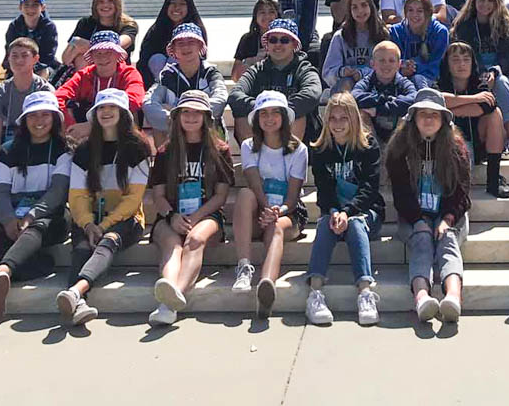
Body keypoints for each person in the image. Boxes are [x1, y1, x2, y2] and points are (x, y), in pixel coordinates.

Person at [54, 89, 151, 327]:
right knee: (81, 247)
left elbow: (132, 200)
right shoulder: (84, 150)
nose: (106, 112)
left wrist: (104, 225)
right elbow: (77, 196)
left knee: (108, 239)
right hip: (90, 219)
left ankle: (76, 291)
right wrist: (88, 223)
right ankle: (80, 304)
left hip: (127, 220)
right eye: (102, 108)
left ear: (123, 113)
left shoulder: (138, 147)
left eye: (112, 108)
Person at [0, 90, 70, 320]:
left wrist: (32, 215)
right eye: (33, 116)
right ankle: (7, 277)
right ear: (24, 120)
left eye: (45, 115)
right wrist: (8, 218)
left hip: (50, 217)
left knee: (36, 227)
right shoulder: (7, 151)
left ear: (55, 118)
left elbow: (58, 191)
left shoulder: (64, 150)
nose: (39, 121)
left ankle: (1, 272)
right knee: (4, 249)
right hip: (12, 215)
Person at [146, 90, 236, 327]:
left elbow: (221, 195)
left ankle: (170, 301)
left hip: (207, 214)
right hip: (170, 213)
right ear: (177, 117)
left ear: (207, 117)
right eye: (186, 111)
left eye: (197, 112)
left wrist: (196, 216)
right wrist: (171, 215)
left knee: (194, 239)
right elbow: (158, 194)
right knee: (172, 244)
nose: (191, 117)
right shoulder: (166, 151)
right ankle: (171, 294)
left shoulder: (220, 150)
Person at [383, 89, 472, 323]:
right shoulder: (399, 148)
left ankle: (453, 297)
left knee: (448, 239)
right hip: (413, 215)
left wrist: (447, 219)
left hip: (450, 214)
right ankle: (422, 296)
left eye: (435, 114)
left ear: (444, 119)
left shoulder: (457, 147)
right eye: (423, 114)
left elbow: (462, 193)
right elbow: (401, 194)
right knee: (421, 240)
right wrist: (419, 221)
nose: (429, 119)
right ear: (413, 118)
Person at [302, 92, 385, 325]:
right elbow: (324, 189)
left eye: (343, 118)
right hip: (336, 212)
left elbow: (370, 189)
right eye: (333, 118)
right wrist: (334, 211)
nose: (337, 124)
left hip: (366, 212)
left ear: (354, 120)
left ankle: (365, 293)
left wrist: (348, 212)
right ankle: (315, 294)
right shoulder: (320, 150)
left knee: (357, 223)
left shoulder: (368, 146)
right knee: (324, 225)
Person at [231, 91, 310, 318]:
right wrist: (266, 208)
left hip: (288, 212)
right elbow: (254, 182)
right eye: (263, 113)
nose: (269, 118)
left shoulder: (299, 149)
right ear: (256, 119)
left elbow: (293, 198)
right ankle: (244, 267)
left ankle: (267, 283)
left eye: (275, 112)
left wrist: (278, 212)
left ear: (284, 117)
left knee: (275, 228)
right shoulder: (248, 146)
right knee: (246, 194)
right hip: (260, 208)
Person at [450, 0, 509, 160]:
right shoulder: (464, 27)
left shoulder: (506, 26)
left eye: (491, 0)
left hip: (504, 79)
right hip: (475, 79)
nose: (485, 4)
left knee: (501, 82)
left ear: (497, 3)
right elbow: (468, 57)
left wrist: (494, 73)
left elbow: (506, 61)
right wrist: (483, 74)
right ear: (474, 1)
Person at [229, 18, 323, 143]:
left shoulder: (304, 69)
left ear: (294, 44)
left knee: (299, 115)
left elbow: (313, 93)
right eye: (273, 40)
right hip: (263, 131)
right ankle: (253, 160)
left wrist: (281, 111)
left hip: (299, 138)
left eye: (284, 40)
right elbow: (235, 94)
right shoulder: (257, 70)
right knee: (241, 116)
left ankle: (291, 158)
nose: (278, 45)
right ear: (267, 44)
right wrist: (263, 109)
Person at [438, 42, 509, 199]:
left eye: (466, 59)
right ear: (447, 64)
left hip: (478, 143)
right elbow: (438, 101)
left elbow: (488, 106)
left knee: (495, 114)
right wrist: (473, 99)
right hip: (448, 145)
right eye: (455, 59)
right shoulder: (440, 83)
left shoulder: (480, 81)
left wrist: (452, 109)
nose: (461, 64)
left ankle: (493, 181)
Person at [56, 31, 147, 141]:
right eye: (98, 53)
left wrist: (92, 126)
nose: (103, 58)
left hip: (119, 128)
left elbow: (136, 100)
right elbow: (58, 97)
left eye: (108, 52)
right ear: (91, 56)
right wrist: (71, 125)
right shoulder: (83, 75)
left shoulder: (129, 73)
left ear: (118, 54)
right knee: (68, 107)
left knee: (132, 112)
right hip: (86, 132)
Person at [143, 23, 228, 136]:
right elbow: (149, 102)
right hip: (175, 131)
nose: (186, 47)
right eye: (180, 43)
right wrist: (178, 117)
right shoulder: (166, 75)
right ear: (173, 49)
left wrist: (191, 113)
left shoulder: (211, 73)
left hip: (206, 129)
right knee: (159, 127)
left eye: (191, 42)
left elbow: (221, 98)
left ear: (200, 45)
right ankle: (165, 154)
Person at [0, 37, 56, 166]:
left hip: (39, 140)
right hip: (10, 142)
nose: (18, 60)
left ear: (35, 59)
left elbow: (53, 128)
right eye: (14, 56)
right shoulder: (0, 93)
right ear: (8, 59)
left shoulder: (45, 90)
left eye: (24, 56)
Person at [60, 0, 141, 78]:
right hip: (87, 72)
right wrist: (77, 44)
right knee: (81, 59)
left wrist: (83, 45)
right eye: (101, 1)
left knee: (86, 56)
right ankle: (84, 89)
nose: (105, 5)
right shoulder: (85, 23)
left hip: (117, 74)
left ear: (117, 4)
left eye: (110, 1)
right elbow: (65, 59)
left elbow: (117, 45)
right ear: (95, 4)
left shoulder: (128, 25)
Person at [137, 0, 207, 88]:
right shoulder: (156, 30)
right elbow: (143, 62)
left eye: (182, 4)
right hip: (156, 86)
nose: (176, 8)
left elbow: (201, 59)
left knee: (175, 58)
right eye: (173, 3)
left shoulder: (196, 31)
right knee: (157, 59)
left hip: (189, 85)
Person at [323, 0, 385, 98]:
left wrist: (362, 73)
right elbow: (328, 72)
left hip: (375, 84)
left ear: (371, 7)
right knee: (346, 83)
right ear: (349, 11)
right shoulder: (340, 36)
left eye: (364, 5)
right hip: (347, 86)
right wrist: (342, 72)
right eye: (354, 7)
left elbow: (388, 68)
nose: (360, 11)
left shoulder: (382, 34)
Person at [352, 41, 418, 143]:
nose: (386, 65)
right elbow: (354, 96)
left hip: (397, 134)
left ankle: (397, 153)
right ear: (372, 64)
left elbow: (413, 98)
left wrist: (379, 110)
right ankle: (373, 152)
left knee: (406, 116)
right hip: (373, 132)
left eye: (391, 61)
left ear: (399, 64)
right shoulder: (366, 82)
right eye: (381, 60)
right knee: (362, 114)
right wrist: (385, 99)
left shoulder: (404, 83)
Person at [390, 0, 451, 91]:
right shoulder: (396, 32)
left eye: (419, 11)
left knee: (418, 79)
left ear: (427, 13)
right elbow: (392, 60)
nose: (414, 15)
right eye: (410, 10)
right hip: (401, 76)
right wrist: (402, 67)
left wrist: (415, 68)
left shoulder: (440, 32)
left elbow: (436, 65)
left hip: (429, 78)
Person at [4, 0, 60, 77]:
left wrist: (32, 68)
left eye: (35, 5)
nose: (30, 9)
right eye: (26, 5)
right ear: (20, 7)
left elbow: (48, 55)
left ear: (43, 7)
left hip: (41, 66)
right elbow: (10, 51)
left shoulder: (49, 27)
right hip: (19, 64)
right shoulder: (14, 27)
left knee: (44, 71)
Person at [233, 0, 280, 82]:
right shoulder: (247, 39)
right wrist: (249, 62)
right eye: (262, 12)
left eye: (271, 12)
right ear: (255, 16)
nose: (267, 16)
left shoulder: (285, 39)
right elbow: (235, 77)